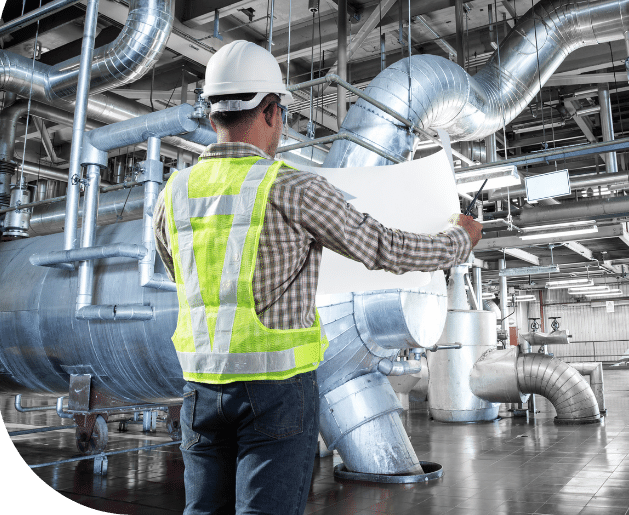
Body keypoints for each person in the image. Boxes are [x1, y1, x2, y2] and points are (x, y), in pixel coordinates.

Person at [152, 40, 482, 515]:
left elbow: (181, 277)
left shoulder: (173, 193)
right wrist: (458, 241)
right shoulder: (292, 187)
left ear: (211, 112)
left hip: (201, 389)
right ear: (271, 110)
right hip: (276, 390)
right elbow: (382, 247)